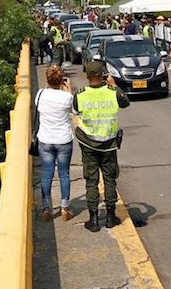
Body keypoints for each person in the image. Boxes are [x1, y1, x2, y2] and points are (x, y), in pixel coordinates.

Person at [74, 64, 130, 232]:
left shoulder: (81, 94)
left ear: (87, 76)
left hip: (88, 143)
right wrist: (113, 85)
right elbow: (125, 102)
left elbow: (76, 110)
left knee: (91, 181)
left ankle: (94, 219)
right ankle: (111, 217)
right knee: (109, 179)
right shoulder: (112, 92)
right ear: (103, 75)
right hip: (108, 143)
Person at [36, 66, 74, 222]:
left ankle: (46, 208)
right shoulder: (67, 97)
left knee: (47, 174)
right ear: (62, 81)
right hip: (63, 140)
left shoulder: (40, 94)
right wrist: (69, 90)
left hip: (45, 140)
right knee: (64, 174)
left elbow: (39, 106)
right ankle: (65, 208)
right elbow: (75, 112)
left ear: (47, 80)